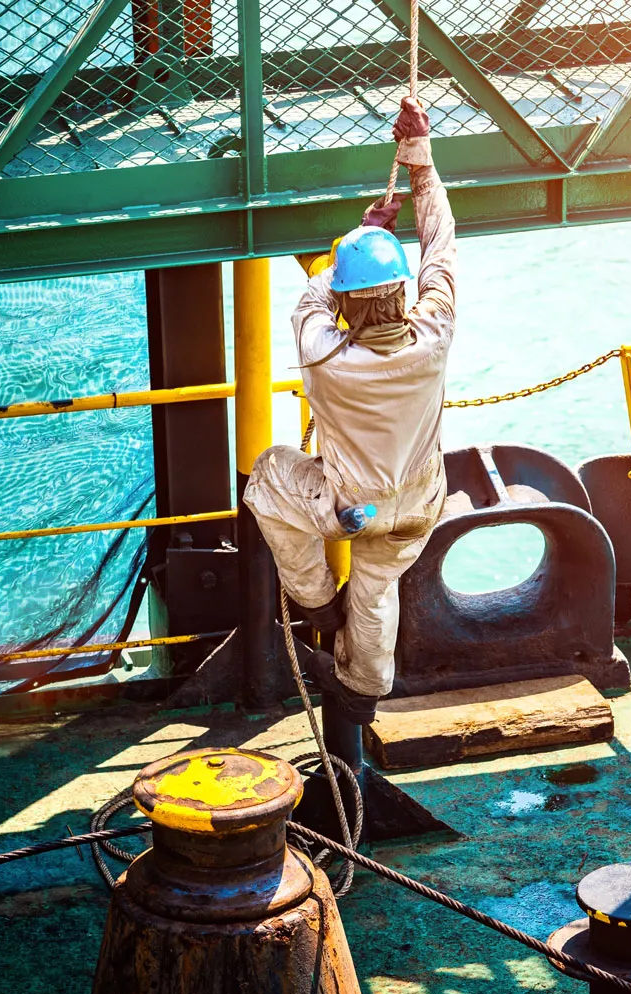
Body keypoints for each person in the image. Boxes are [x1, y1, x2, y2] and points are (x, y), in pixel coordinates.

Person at [242, 96, 456, 726]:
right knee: (377, 585)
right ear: (401, 290)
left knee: (267, 479)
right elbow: (440, 241)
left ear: (344, 300)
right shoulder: (434, 332)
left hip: (347, 509)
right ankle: (364, 687)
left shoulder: (324, 353)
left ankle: (314, 605)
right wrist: (420, 159)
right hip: (418, 505)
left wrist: (357, 235)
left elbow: (314, 296)